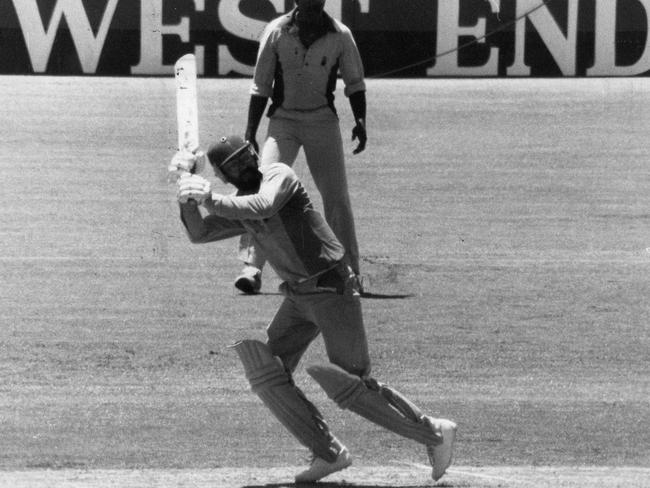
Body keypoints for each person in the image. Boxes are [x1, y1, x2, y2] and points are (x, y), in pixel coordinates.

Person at [169, 137, 457, 483]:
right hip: (298, 297)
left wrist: (208, 198)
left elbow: (263, 205)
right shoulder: (237, 205)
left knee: (351, 385)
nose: (246, 165)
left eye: (246, 157)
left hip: (332, 288)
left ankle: (434, 433)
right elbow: (199, 233)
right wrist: (185, 195)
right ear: (225, 174)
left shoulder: (279, 175)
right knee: (266, 372)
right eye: (235, 165)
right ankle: (328, 454)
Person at [234, 0, 368, 294]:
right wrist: (250, 133)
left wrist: (360, 121)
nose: (311, 7)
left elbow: (355, 84)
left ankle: (350, 274)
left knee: (336, 197)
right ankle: (252, 268)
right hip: (283, 123)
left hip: (323, 122)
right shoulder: (276, 31)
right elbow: (261, 86)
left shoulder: (340, 35)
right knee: (265, 193)